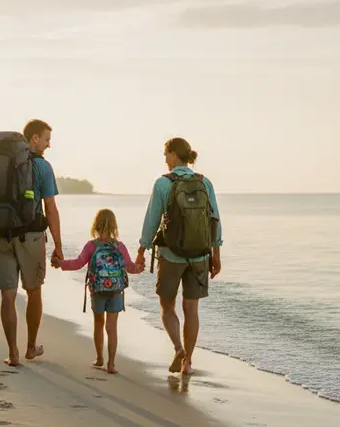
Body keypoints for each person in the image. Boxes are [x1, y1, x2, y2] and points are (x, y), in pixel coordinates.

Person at [135, 137, 222, 376]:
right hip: (199, 256)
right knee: (191, 309)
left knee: (166, 304)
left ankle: (178, 348)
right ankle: (188, 363)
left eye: (166, 155)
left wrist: (142, 249)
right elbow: (215, 220)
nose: (165, 160)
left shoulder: (163, 183)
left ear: (174, 155)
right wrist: (217, 253)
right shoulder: (205, 183)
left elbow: (152, 219)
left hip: (171, 254)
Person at [0, 119, 63, 366]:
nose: (48, 144)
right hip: (31, 237)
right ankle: (31, 348)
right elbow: (50, 208)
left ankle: (12, 352)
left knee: (8, 296)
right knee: (34, 292)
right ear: (34, 138)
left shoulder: (2, 163)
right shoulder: (42, 167)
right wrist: (58, 246)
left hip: (1, 234)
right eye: (46, 139)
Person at [55, 208, 144, 374]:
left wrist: (61, 264)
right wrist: (140, 268)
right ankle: (111, 364)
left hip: (97, 290)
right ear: (114, 226)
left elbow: (77, 263)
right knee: (112, 327)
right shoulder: (120, 246)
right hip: (116, 291)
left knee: (98, 324)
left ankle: (99, 358)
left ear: (95, 225)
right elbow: (130, 267)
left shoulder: (91, 246)